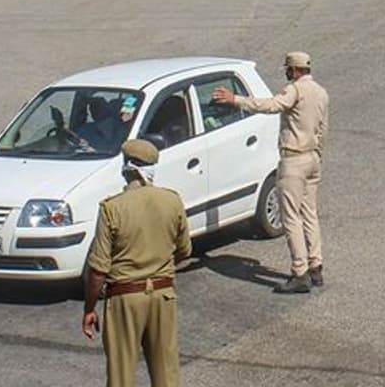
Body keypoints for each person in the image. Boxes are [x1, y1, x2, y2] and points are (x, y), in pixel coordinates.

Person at [213, 52, 329, 293]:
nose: (286, 72)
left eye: (288, 68)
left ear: (296, 70)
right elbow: (323, 128)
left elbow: (272, 106)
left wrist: (236, 100)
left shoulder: (294, 90)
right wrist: (317, 152)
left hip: (294, 158)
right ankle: (316, 265)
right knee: (309, 213)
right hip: (313, 158)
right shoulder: (321, 92)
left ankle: (300, 272)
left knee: (290, 217)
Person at [83, 139, 192, 387]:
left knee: (121, 375)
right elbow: (185, 250)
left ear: (127, 168)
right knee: (167, 374)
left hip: (125, 297)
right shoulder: (172, 200)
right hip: (164, 295)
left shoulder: (113, 208)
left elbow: (99, 268)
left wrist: (89, 308)